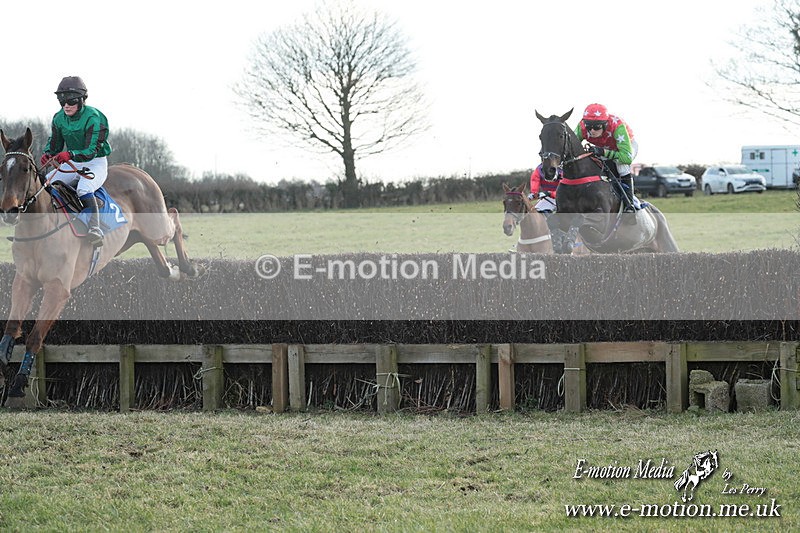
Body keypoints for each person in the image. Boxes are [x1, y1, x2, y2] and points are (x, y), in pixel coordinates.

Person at [41, 76, 111, 246]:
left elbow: (91, 151)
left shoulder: (94, 117)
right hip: (73, 161)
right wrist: (49, 153)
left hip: (95, 161)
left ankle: (95, 228)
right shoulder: (58, 118)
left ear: (81, 100)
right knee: (46, 183)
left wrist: (70, 154)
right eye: (62, 101)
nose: (66, 105)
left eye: (70, 101)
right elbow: (55, 144)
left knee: (84, 188)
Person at [574, 103, 640, 215]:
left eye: (597, 127)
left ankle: (629, 204)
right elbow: (572, 146)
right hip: (604, 147)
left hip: (625, 148)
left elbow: (626, 158)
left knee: (622, 166)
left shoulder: (617, 126)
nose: (592, 131)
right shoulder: (582, 126)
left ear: (605, 124)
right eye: (588, 126)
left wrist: (604, 152)